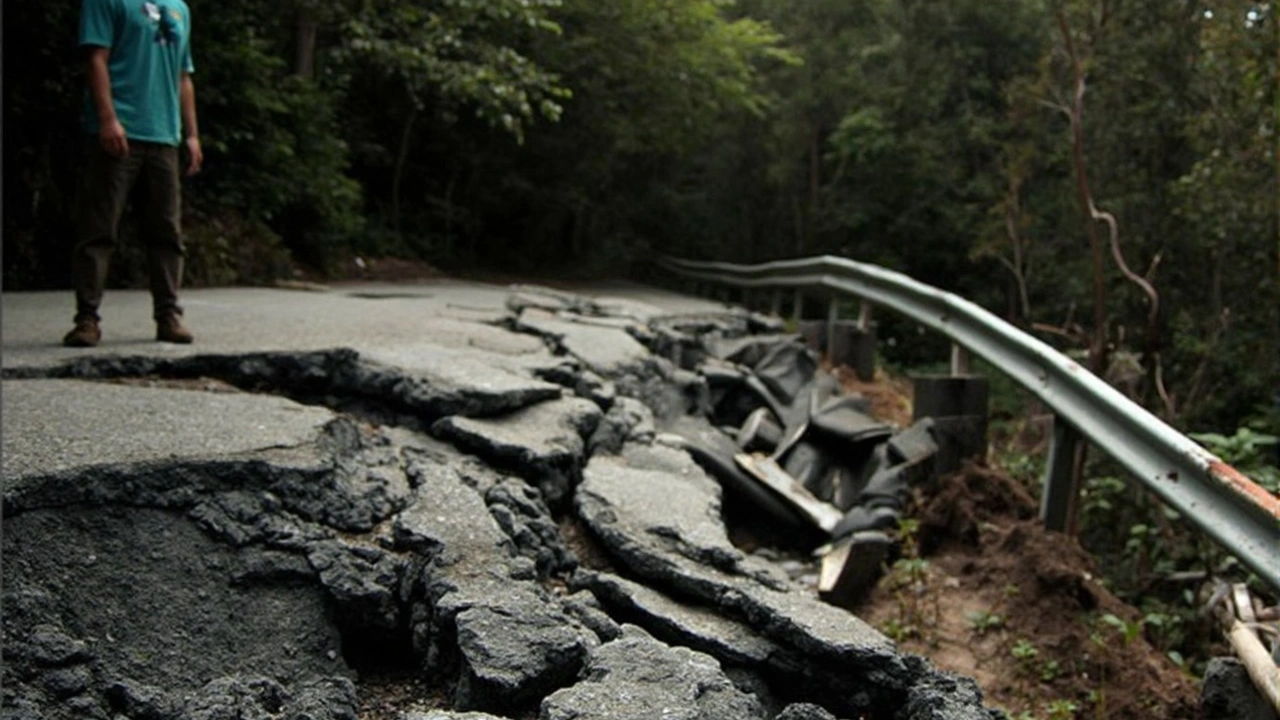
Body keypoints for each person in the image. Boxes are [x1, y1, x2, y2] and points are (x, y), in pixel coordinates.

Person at [63, 0, 203, 347]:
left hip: (163, 135)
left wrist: (192, 134)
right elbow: (96, 57)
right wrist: (107, 118)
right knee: (99, 227)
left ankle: (168, 315)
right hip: (119, 132)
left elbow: (183, 76)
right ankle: (87, 319)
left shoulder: (178, 8)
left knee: (166, 232)